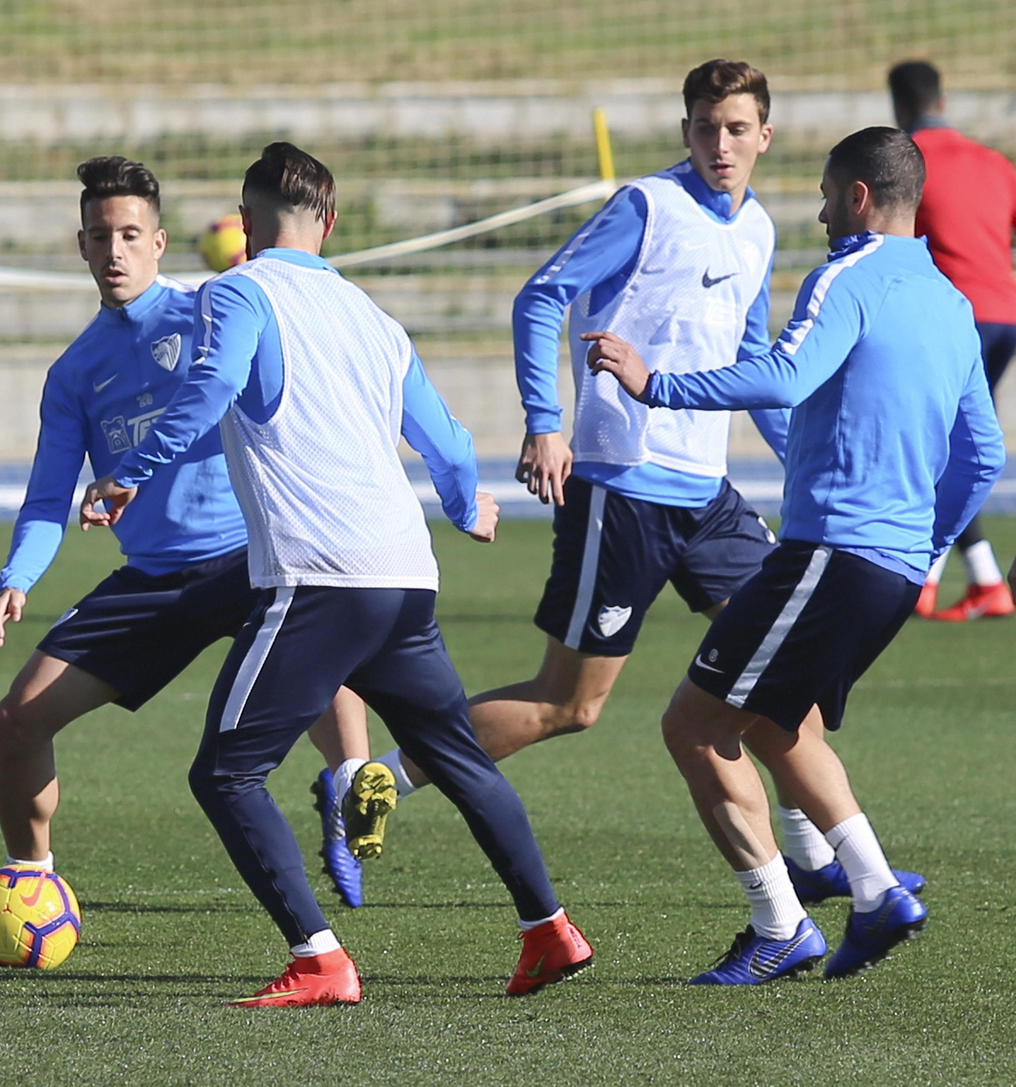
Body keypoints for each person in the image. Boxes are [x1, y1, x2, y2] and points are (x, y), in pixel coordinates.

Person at [351, 61, 920, 909]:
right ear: (685, 131)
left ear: (765, 135)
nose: (719, 144)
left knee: (775, 673)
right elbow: (542, 297)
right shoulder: (647, 208)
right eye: (703, 127)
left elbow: (756, 365)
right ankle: (379, 780)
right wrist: (545, 421)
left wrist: (803, 461)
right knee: (569, 704)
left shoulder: (760, 228)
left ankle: (810, 860)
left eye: (735, 129)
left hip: (712, 494)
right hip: (624, 489)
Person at [80, 142, 593, 1007]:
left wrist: (132, 468)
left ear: (244, 225)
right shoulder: (372, 315)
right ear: (334, 222)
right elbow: (451, 440)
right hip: (405, 574)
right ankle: (548, 929)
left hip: (319, 576)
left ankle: (319, 959)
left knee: (225, 774)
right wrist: (467, 503)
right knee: (458, 758)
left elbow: (210, 391)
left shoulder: (237, 291)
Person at [585, 126, 1004, 982]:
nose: (815, 212)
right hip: (888, 566)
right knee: (773, 721)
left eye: (822, 194)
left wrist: (653, 382)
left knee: (694, 727)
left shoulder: (847, 276)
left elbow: (781, 377)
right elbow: (985, 453)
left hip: (831, 549)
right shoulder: (949, 298)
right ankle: (877, 889)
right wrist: (926, 548)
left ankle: (782, 923)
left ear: (855, 197)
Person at [0, 156, 370, 908]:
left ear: (159, 243)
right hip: (156, 579)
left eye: (130, 233)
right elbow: (46, 498)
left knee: (325, 649)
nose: (115, 250)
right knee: (17, 718)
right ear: (82, 248)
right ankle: (31, 882)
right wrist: (16, 578)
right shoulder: (74, 373)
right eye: (100, 236)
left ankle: (346, 794)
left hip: (253, 557)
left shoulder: (217, 315)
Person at [889, 60, 1016, 620]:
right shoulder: (994, 162)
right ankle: (978, 578)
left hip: (951, 319)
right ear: (942, 100)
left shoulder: (904, 162)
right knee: (952, 442)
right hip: (1005, 316)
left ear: (898, 105)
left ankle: (931, 575)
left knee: (934, 444)